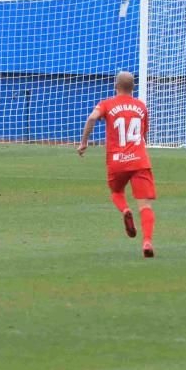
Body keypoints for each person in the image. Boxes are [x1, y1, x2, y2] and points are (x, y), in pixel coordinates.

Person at [77, 71, 156, 258]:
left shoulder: (107, 104)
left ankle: (125, 210)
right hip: (139, 160)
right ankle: (147, 242)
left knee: (117, 192)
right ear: (133, 87)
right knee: (145, 206)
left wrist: (84, 142)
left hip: (116, 162)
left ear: (115, 85)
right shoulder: (141, 107)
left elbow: (92, 118)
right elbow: (144, 135)